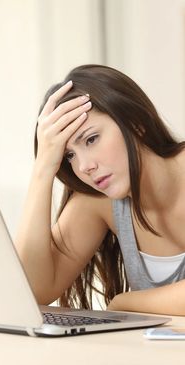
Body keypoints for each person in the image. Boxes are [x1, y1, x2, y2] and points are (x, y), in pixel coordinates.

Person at [15, 64, 185, 316]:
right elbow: (33, 290)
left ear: (136, 123)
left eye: (91, 139)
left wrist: (124, 304)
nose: (84, 167)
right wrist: (42, 169)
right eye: (69, 155)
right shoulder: (100, 201)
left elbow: (124, 305)